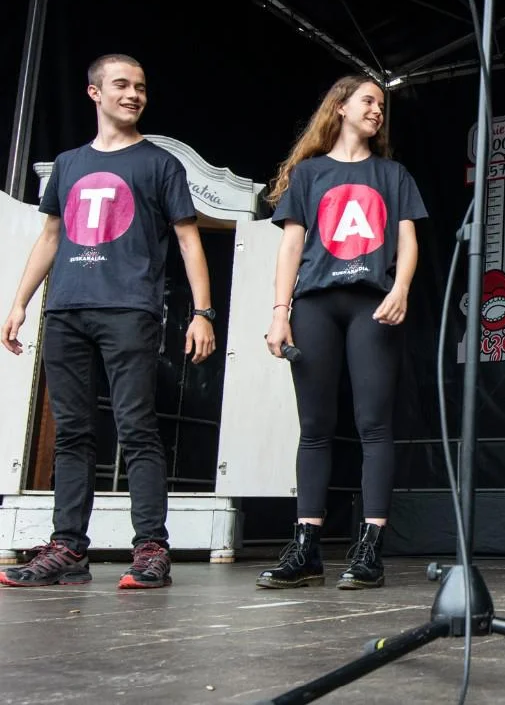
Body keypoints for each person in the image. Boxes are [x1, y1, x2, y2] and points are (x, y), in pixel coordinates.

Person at [0, 54, 215, 589]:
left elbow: (188, 239)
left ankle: (151, 549)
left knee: (136, 428)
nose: (133, 94)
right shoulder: (69, 162)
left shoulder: (160, 164)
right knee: (73, 432)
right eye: (121, 84)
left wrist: (202, 312)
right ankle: (69, 548)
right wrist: (20, 302)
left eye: (140, 86)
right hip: (66, 310)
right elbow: (51, 236)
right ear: (94, 92)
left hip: (129, 310)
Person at [256, 75, 427, 590]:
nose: (377, 110)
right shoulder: (309, 174)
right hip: (315, 305)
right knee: (314, 426)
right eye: (368, 101)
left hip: (371, 304)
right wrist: (280, 312)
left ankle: (370, 547)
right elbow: (291, 246)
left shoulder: (392, 174)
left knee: (374, 424)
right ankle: (306, 546)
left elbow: (408, 238)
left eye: (382, 104)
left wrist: (401, 288)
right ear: (341, 107)